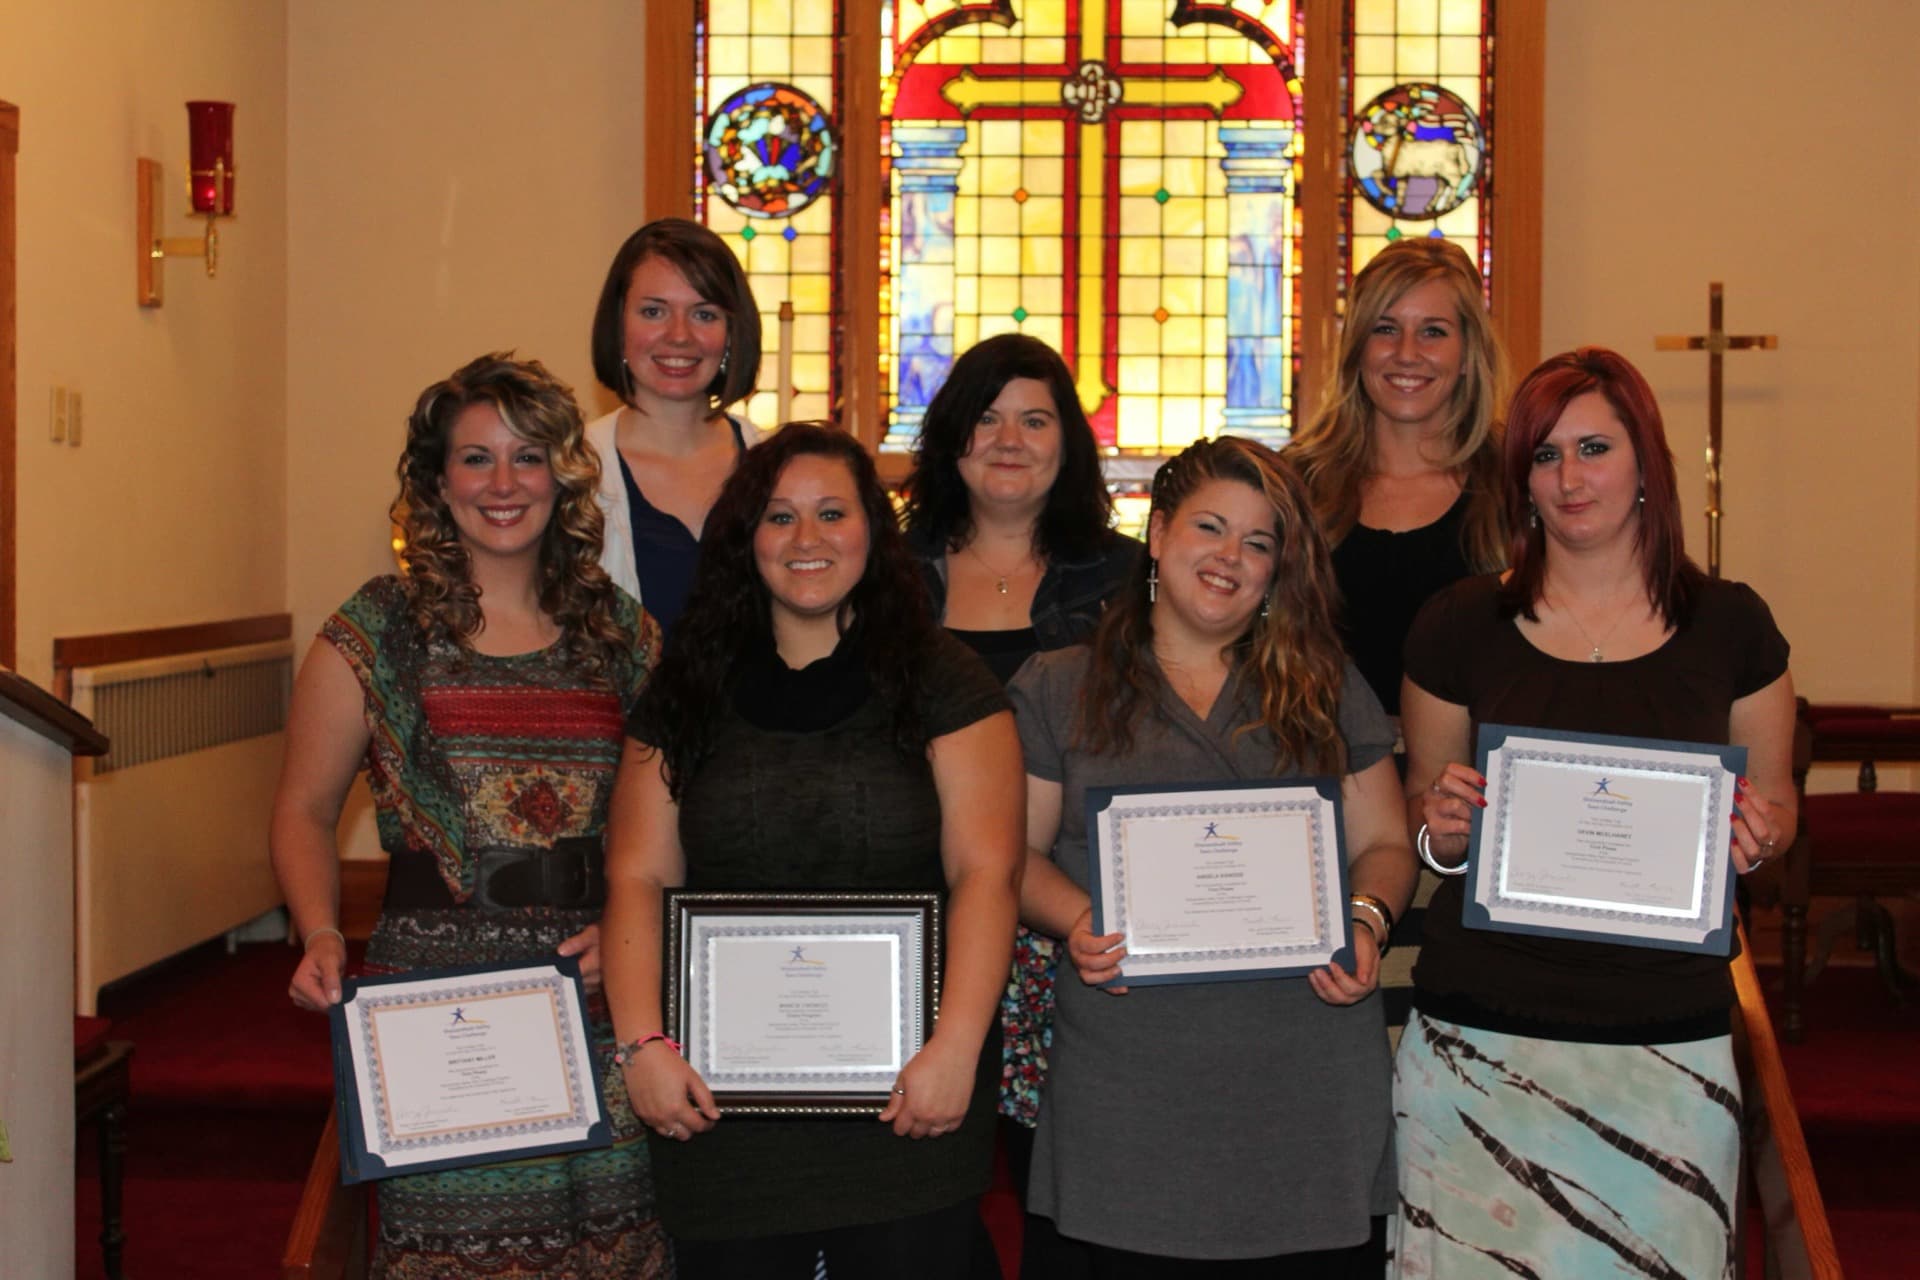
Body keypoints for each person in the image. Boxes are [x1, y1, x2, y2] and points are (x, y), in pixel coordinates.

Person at [1394, 347, 1796, 1278]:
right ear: (1520, 480)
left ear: (1645, 461)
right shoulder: (1458, 625)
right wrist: (1438, 830)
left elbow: (1776, 809)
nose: (1569, 478)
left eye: (1594, 448)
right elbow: (1425, 812)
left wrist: (1761, 834)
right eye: (1544, 455)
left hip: (1666, 1050)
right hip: (1482, 1047)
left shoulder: (1732, 627)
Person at [268, 354, 668, 1277]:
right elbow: (302, 806)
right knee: (458, 1249)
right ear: (436, 480)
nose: (503, 483)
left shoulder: (623, 633)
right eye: (475, 458)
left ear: (563, 475)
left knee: (608, 1244)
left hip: (597, 982)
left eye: (528, 457)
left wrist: (629, 926)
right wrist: (320, 927)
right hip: (436, 999)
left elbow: (679, 815)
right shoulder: (376, 629)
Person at [600, 423, 1024, 1278]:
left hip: (907, 1106)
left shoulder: (945, 682)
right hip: (725, 1117)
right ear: (743, 538)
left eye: (832, 512)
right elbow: (637, 875)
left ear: (873, 527)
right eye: (779, 516)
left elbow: (988, 873)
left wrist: (956, 1050)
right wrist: (641, 1046)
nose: (807, 539)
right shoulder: (686, 684)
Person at [1008, 436, 1417, 1276]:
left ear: (1277, 571)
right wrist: (1079, 919)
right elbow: (1009, 854)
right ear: (1157, 534)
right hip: (1127, 1101)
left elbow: (1383, 840)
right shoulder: (1058, 684)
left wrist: (1368, 921)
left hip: (1307, 1098)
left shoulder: (1325, 683)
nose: (1230, 557)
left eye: (1259, 543)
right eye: (1210, 527)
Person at [899, 332, 1138, 1277]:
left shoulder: (1127, 582)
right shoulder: (882, 573)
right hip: (916, 926)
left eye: (1035, 419)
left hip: (1068, 930)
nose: (1009, 439)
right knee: (927, 1198)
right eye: (986, 418)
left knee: (1065, 1195)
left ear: (1068, 443)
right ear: (951, 439)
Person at [1285, 236, 1509, 718]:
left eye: (1433, 332)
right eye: (1385, 329)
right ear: (1357, 347)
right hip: (1323, 774)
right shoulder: (1294, 484)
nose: (1407, 353)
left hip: (1471, 779)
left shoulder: (1516, 485)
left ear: (1469, 352)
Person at [586, 217, 764, 631]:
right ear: (619, 324)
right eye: (653, 311)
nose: (679, 336)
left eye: (704, 314)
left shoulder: (776, 467)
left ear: (732, 333)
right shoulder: (572, 472)